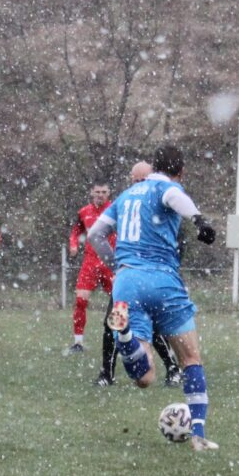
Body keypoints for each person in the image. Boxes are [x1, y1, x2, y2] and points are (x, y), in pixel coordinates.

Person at [87, 144, 220, 451]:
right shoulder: (166, 188)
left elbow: (94, 235)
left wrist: (117, 265)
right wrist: (199, 220)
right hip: (163, 280)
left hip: (126, 283)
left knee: (144, 377)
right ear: (180, 171)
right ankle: (198, 434)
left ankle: (126, 338)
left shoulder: (124, 196)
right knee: (190, 359)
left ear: (153, 167)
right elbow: (174, 196)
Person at [96, 162, 181, 388]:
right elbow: (97, 234)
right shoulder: (125, 201)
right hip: (128, 278)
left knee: (155, 326)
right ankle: (107, 373)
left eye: (142, 181)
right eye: (135, 181)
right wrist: (117, 265)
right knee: (113, 322)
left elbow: (175, 240)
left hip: (153, 277)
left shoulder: (160, 201)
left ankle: (173, 368)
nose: (139, 185)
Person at [67, 180, 114, 354]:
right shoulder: (84, 212)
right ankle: (78, 343)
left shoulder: (115, 210)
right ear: (92, 193)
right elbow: (76, 231)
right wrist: (73, 244)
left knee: (120, 302)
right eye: (97, 192)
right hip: (90, 261)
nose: (100, 195)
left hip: (110, 262)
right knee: (80, 300)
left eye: (104, 192)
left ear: (108, 193)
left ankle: (124, 339)